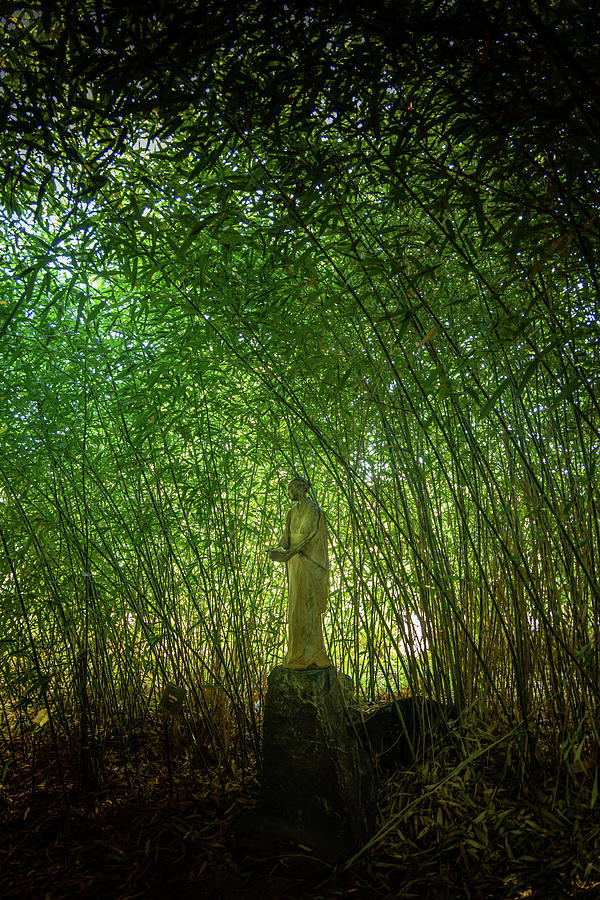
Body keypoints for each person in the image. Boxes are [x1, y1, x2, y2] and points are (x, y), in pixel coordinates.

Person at [268, 477, 332, 669]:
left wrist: (291, 553)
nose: (288, 492)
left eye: (290, 488)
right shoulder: (291, 513)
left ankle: (313, 653)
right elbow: (286, 537)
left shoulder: (315, 512)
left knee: (308, 606)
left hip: (309, 565)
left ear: (300, 490)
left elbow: (311, 539)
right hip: (294, 565)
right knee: (295, 607)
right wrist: (278, 550)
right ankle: (296, 654)